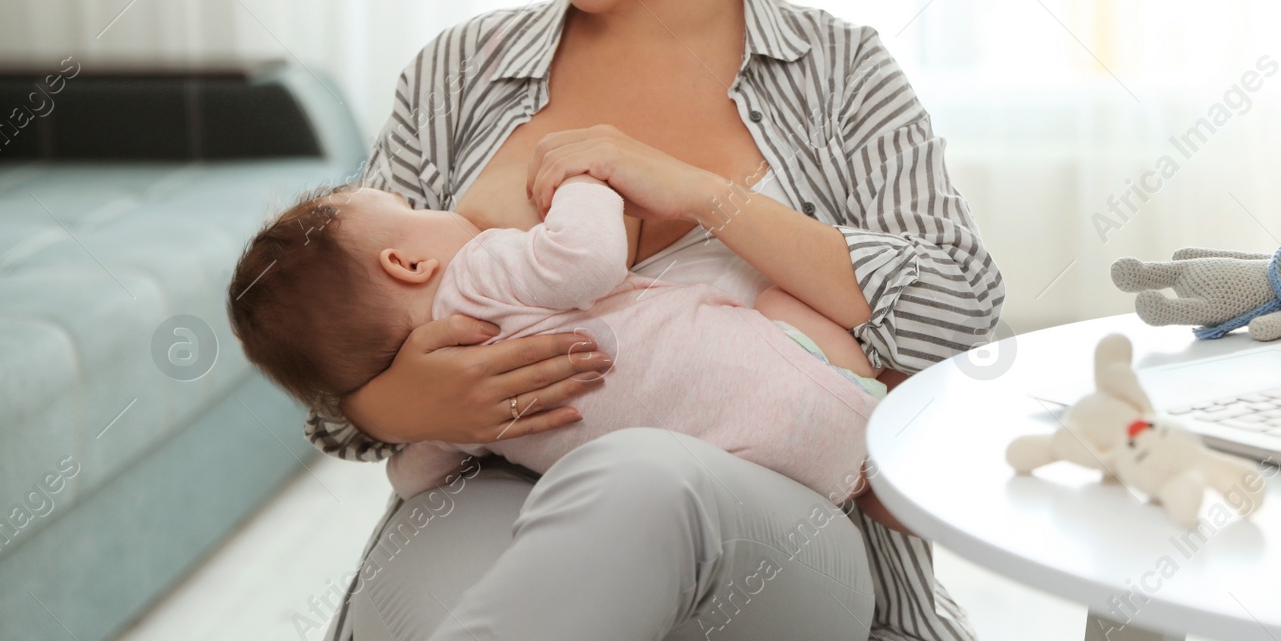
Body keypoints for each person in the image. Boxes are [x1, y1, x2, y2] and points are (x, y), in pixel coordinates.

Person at [303, 0, 1005, 641]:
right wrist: (392, 402)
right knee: (446, 610)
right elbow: (327, 319)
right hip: (492, 497)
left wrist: (694, 189)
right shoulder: (458, 73)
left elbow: (960, 317)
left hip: (776, 543)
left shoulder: (838, 73)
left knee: (638, 477)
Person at [226, 171, 889, 505]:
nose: (441, 208)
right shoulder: (479, 270)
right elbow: (591, 258)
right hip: (835, 395)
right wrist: (583, 181)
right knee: (768, 292)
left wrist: (398, 421)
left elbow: (410, 478)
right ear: (406, 262)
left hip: (753, 477)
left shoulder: (450, 413)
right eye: (412, 211)